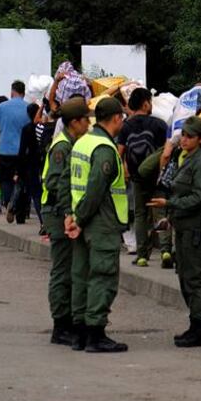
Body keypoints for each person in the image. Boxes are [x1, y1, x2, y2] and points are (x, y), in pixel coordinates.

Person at [148, 116, 201, 347]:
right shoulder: (185, 159)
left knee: (194, 280)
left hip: (198, 230)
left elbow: (200, 196)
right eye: (183, 135)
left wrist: (169, 205)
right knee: (185, 278)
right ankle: (195, 326)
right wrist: (170, 217)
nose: (184, 140)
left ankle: (199, 329)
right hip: (184, 227)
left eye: (189, 136)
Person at [68, 96, 129, 353]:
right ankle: (96, 334)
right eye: (122, 117)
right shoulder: (104, 148)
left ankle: (81, 333)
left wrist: (75, 218)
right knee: (102, 277)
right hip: (100, 221)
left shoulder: (83, 142)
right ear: (116, 118)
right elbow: (95, 189)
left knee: (81, 276)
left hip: (81, 218)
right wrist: (81, 220)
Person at [41, 98, 91, 346]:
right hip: (57, 213)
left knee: (71, 269)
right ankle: (60, 325)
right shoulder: (63, 147)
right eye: (86, 119)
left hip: (61, 212)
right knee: (63, 270)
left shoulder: (72, 143)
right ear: (75, 122)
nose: (89, 123)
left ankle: (68, 320)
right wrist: (67, 215)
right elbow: (53, 182)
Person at [116, 87, 171, 268]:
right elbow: (166, 152)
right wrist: (163, 173)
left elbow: (120, 152)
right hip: (158, 176)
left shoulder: (126, 126)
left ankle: (141, 255)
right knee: (160, 213)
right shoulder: (159, 125)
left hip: (137, 177)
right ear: (146, 103)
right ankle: (165, 252)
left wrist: (125, 170)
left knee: (140, 215)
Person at [0, 81, 30, 221]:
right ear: (23, 92)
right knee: (22, 181)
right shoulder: (29, 108)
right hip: (23, 152)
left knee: (5, 179)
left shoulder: (1, 107)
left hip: (5, 150)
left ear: (12, 91)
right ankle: (21, 214)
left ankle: (9, 201)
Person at [16, 103, 47, 225]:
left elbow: (22, 150)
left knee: (33, 193)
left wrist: (18, 170)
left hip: (30, 164)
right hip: (42, 162)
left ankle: (40, 220)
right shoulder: (44, 127)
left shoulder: (27, 128)